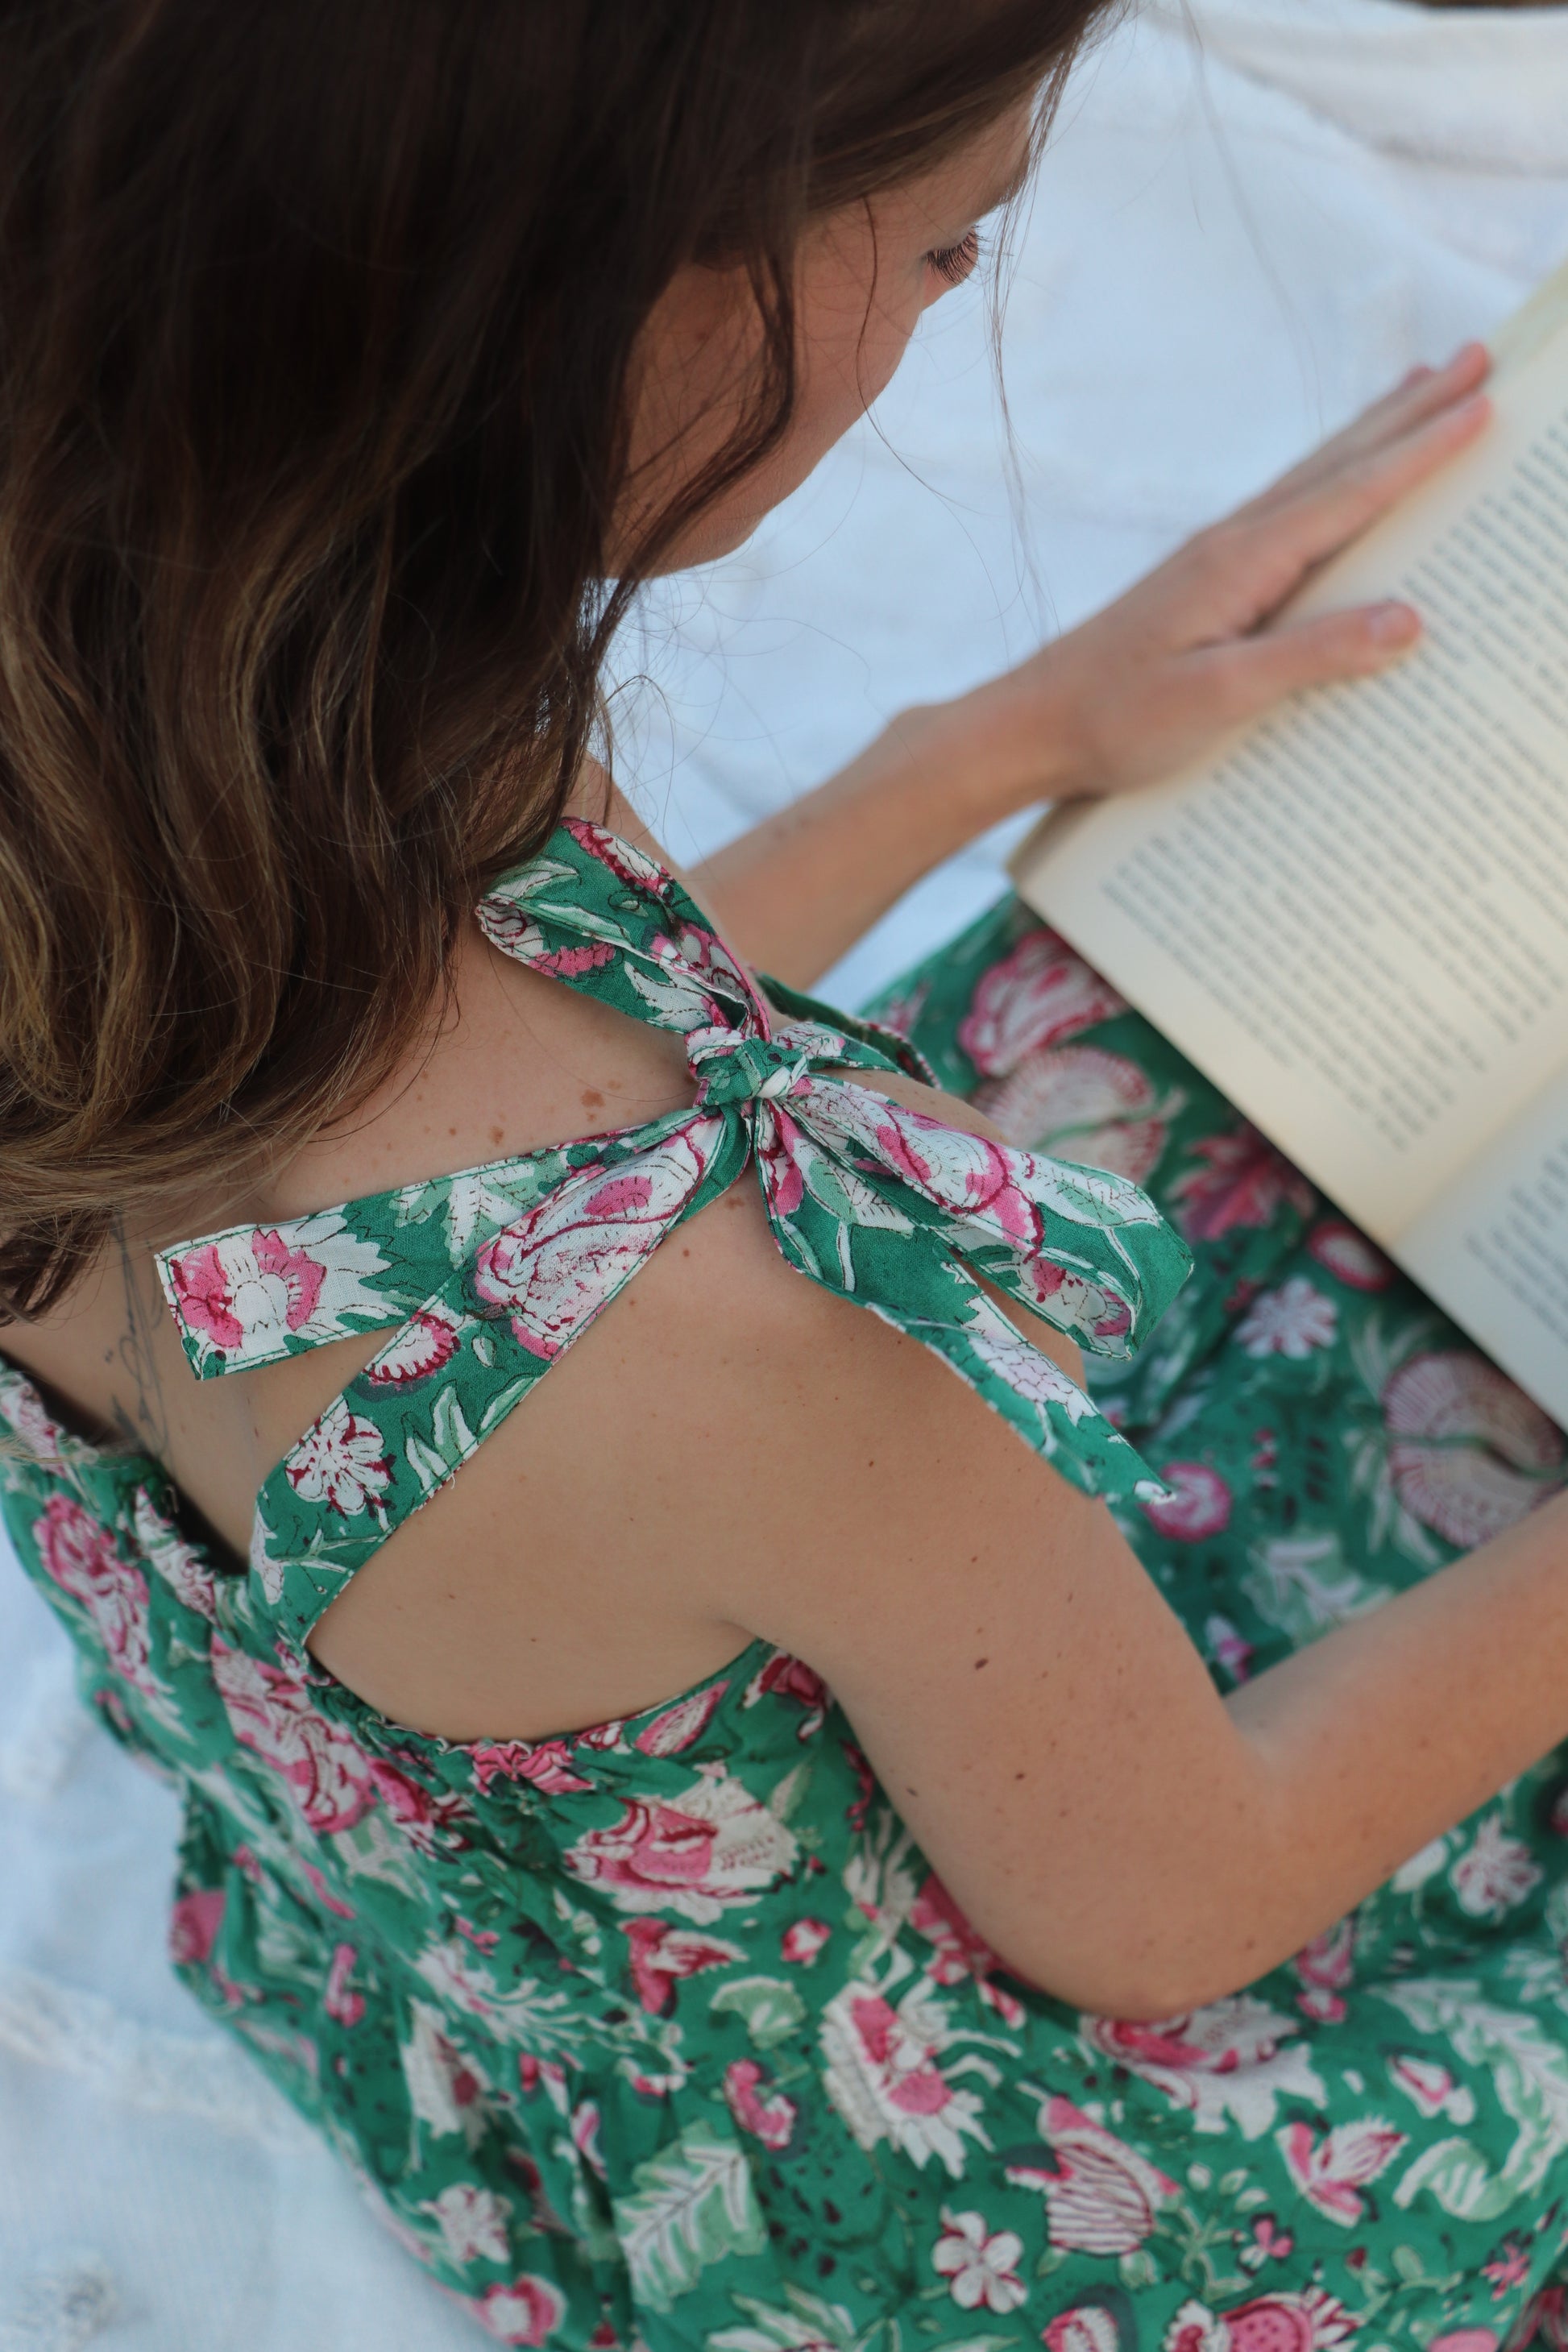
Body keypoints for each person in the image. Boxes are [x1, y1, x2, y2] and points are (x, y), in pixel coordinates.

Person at [0, 5, 1563, 2346]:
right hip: (953, 2164)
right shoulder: (744, 1331)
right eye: (946, 247)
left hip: (459, 1966)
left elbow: (529, 1047)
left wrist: (1003, 738)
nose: (956, 315)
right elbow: (1163, 1900)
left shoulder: (150, 725)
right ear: (638, 306)